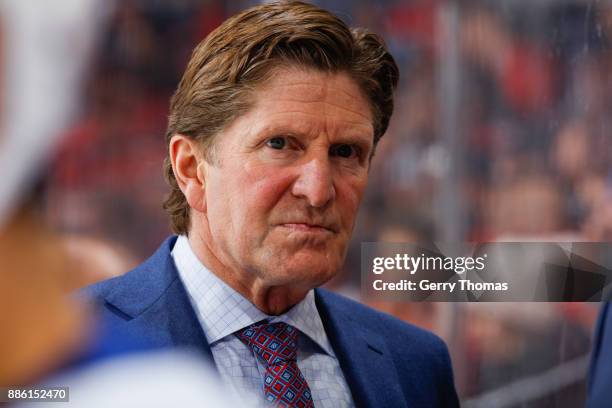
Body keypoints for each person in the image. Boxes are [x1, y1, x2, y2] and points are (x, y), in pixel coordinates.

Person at [83, 1, 459, 407]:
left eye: (346, 152)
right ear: (191, 169)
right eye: (279, 144)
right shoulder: (59, 349)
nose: (318, 191)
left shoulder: (417, 364)